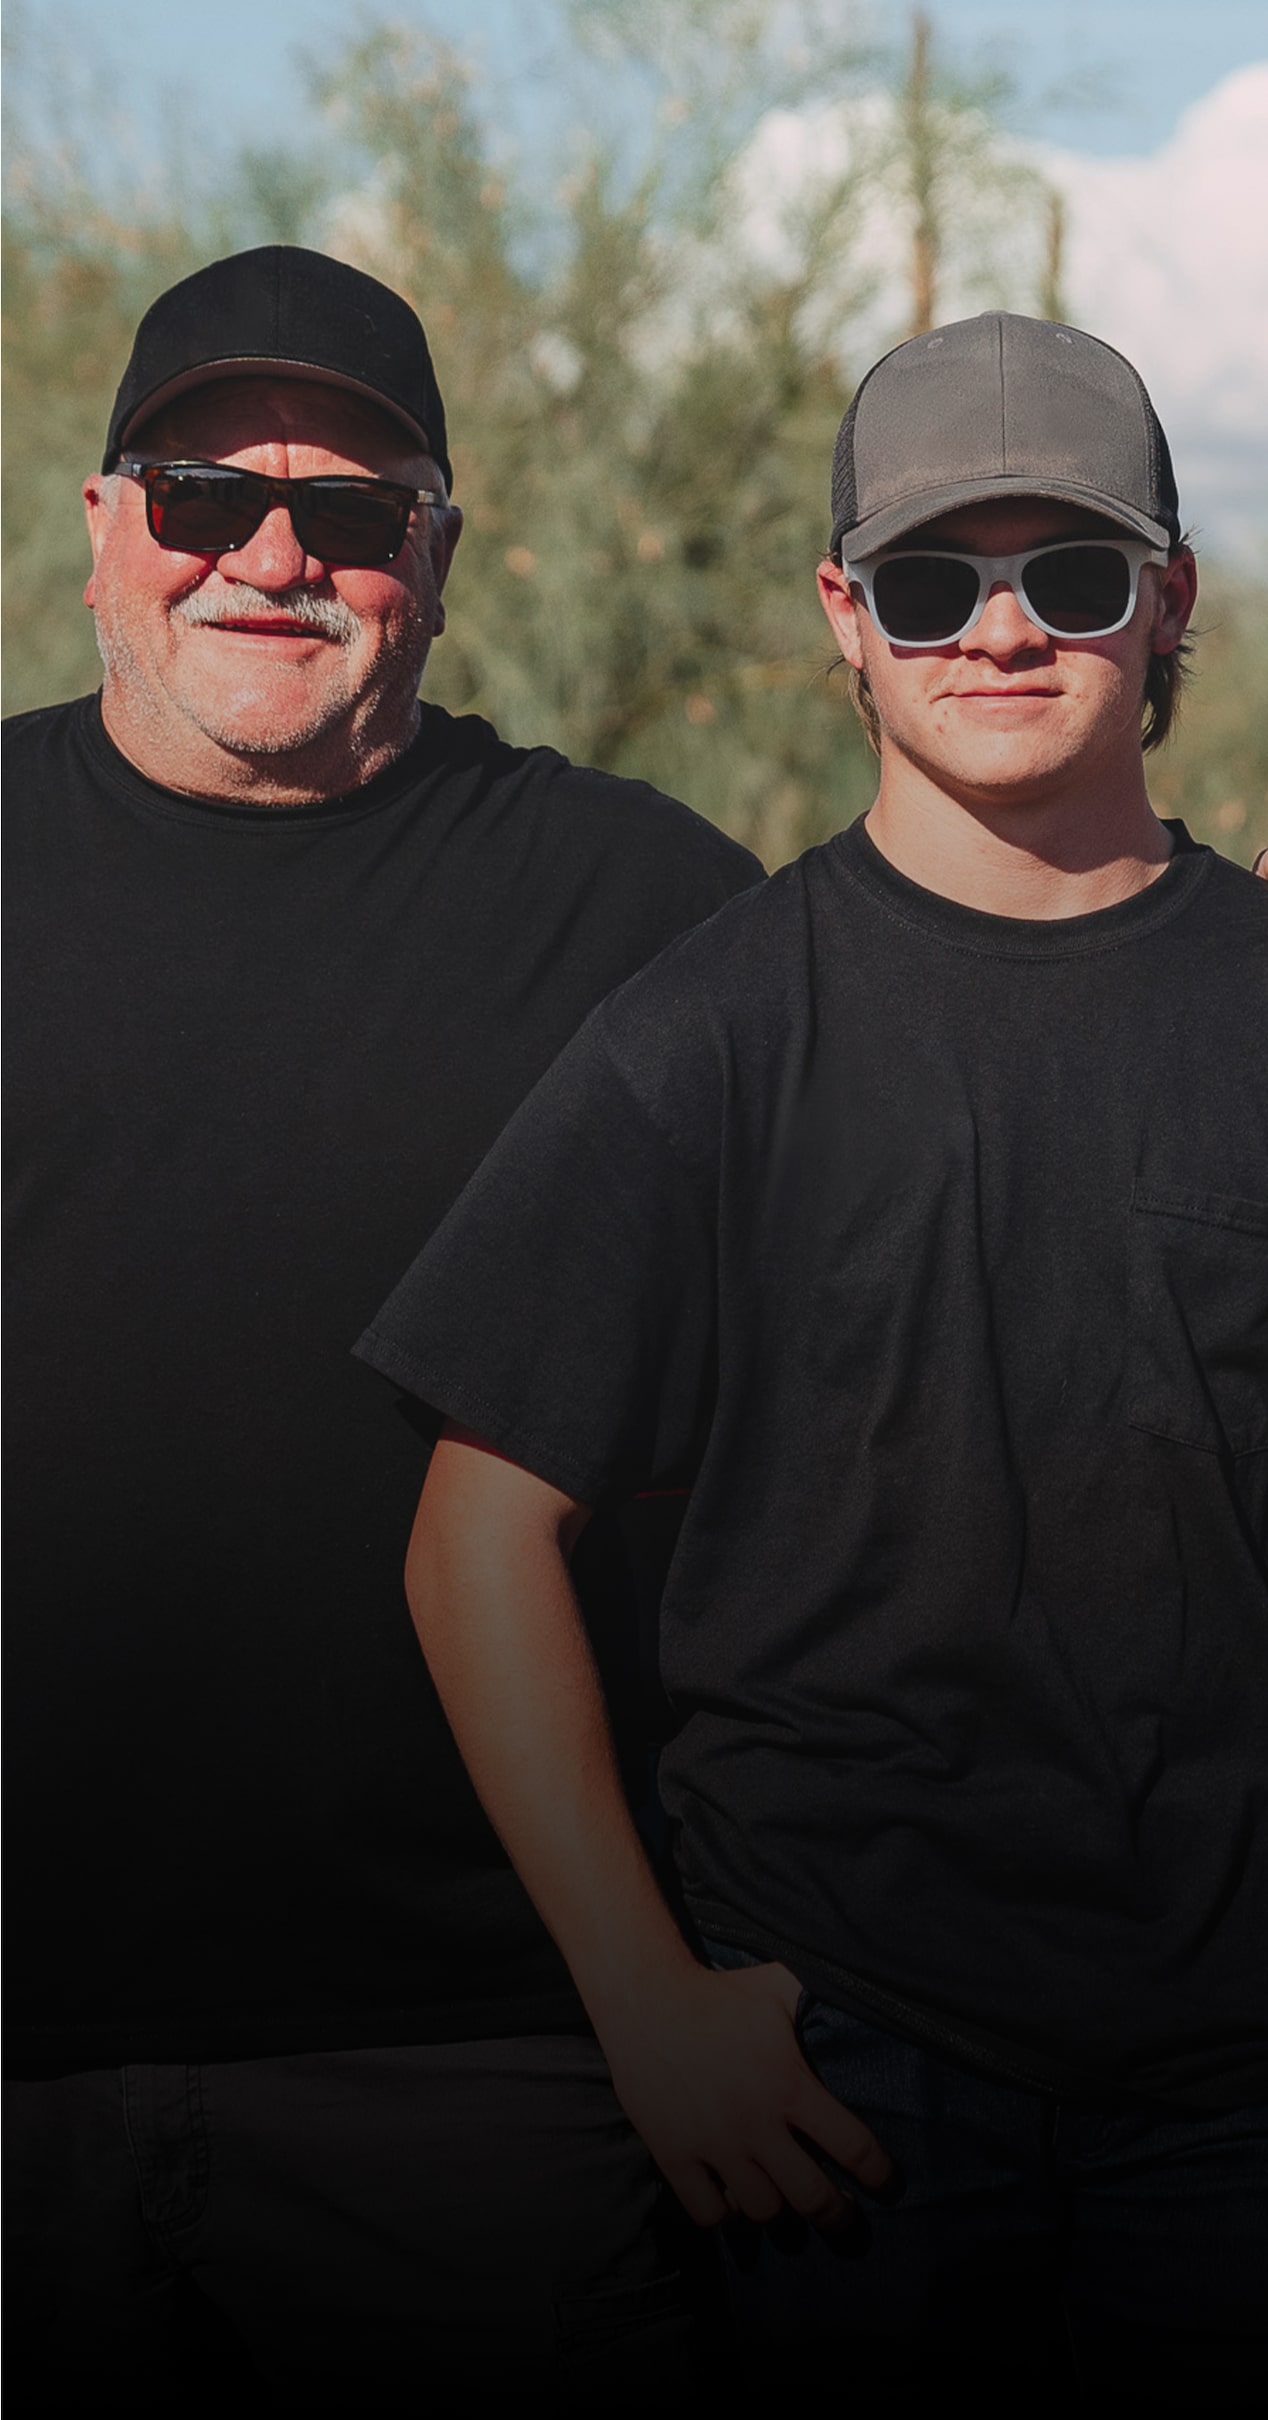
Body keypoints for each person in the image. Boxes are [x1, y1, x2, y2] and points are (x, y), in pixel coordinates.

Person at [358, 312, 1268, 2408]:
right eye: (940, 580)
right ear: (845, 618)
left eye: (1073, 573)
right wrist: (643, 1999)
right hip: (847, 2074)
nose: (1005, 633)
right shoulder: (705, 1037)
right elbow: (475, 1532)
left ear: (1169, 600)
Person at [2, 244, 761, 2410]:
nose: (270, 555)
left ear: (434, 554)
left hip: (485, 2073)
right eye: (200, 492)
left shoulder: (644, 907)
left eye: (348, 512)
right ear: (99, 528)